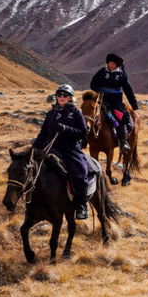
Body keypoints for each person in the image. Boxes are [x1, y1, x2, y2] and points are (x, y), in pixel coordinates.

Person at [32, 84, 97, 220]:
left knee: (79, 171)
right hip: (50, 146)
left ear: (70, 98)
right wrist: (34, 149)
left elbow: (83, 132)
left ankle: (81, 205)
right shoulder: (51, 113)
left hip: (69, 148)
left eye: (65, 95)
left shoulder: (76, 113)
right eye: (59, 95)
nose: (62, 97)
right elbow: (43, 132)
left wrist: (64, 128)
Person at [89, 52, 139, 141]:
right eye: (110, 63)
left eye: (113, 64)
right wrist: (99, 90)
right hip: (102, 99)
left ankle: (123, 141)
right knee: (90, 114)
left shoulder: (121, 75)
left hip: (116, 101)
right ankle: (85, 139)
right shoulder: (102, 71)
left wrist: (134, 104)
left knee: (120, 117)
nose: (111, 65)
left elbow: (128, 90)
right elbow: (93, 84)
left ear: (117, 65)